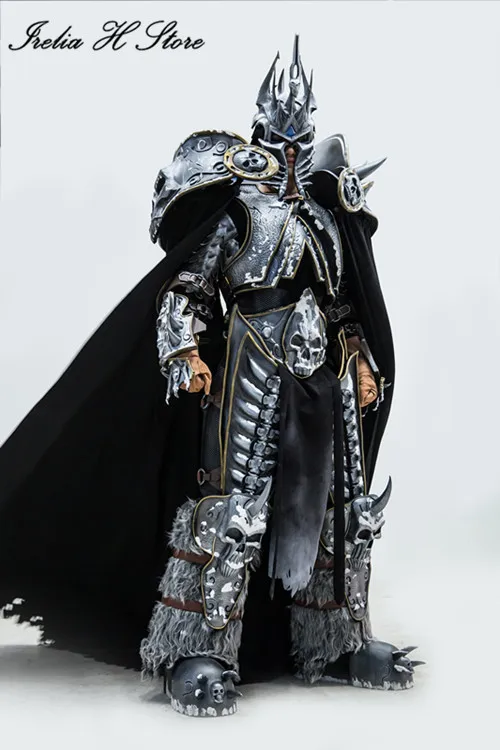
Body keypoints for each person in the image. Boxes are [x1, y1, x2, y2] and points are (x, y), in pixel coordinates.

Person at [0, 36, 422, 718]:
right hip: (250, 361)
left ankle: (336, 642)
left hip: (327, 374)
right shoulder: (238, 206)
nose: (290, 143)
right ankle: (197, 649)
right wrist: (184, 354)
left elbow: (344, 303)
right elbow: (188, 287)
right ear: (258, 127)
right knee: (233, 511)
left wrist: (364, 360)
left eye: (300, 130)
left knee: (340, 511)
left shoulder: (325, 210)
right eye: (278, 130)